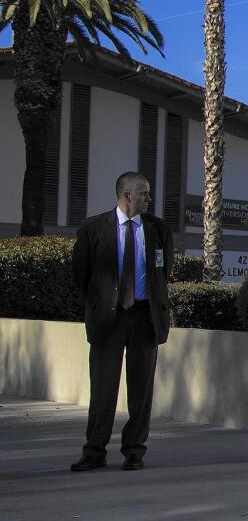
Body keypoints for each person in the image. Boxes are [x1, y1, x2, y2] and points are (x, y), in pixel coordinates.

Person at [70, 172, 173, 471]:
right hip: (108, 320)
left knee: (141, 390)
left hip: (144, 318)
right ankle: (94, 452)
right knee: (103, 389)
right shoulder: (93, 228)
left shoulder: (158, 229)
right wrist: (97, 307)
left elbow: (163, 273)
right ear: (127, 196)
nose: (149, 199)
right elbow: (81, 273)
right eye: (144, 194)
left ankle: (134, 451)